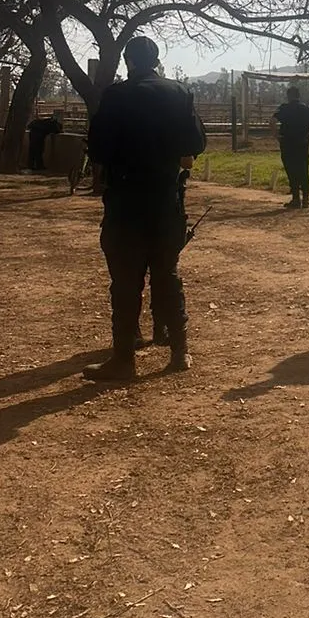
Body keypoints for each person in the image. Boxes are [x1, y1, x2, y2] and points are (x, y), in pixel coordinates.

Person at [83, 36, 207, 381]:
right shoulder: (179, 93)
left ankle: (124, 358)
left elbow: (98, 150)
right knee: (166, 273)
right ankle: (180, 350)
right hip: (166, 198)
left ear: (128, 61)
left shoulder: (116, 95)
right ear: (156, 59)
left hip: (126, 200)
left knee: (125, 280)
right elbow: (196, 143)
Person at [271, 84, 309, 209]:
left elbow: (272, 121)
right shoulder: (306, 108)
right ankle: (306, 199)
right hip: (302, 143)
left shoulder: (284, 108)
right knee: (303, 169)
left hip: (287, 143)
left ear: (288, 96)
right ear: (299, 96)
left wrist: (277, 136)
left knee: (291, 169)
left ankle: (295, 198)